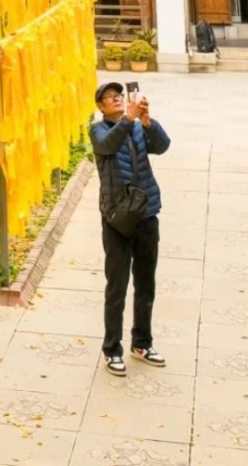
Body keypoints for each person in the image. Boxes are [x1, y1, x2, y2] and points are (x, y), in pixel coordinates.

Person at [90, 82, 170, 376]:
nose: (116, 99)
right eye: (109, 98)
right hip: (117, 219)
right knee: (117, 286)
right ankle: (112, 349)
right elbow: (108, 146)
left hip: (146, 212)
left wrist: (148, 122)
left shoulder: (136, 126)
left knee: (146, 283)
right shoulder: (98, 131)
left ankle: (142, 344)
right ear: (101, 107)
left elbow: (162, 146)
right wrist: (129, 119)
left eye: (119, 96)